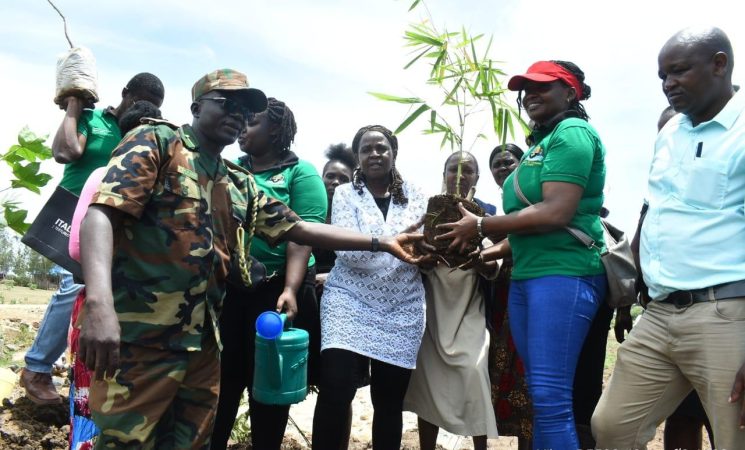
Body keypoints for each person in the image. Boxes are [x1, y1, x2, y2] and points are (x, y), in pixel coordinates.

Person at [76, 70, 422, 448]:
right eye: (227, 103)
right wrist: (99, 302)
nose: (237, 115)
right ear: (196, 107)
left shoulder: (237, 182)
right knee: (129, 441)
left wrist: (383, 241)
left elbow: (300, 230)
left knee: (192, 442)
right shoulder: (159, 142)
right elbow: (101, 214)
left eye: (245, 109)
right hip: (144, 337)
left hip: (204, 343)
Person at [437, 60, 608, 450]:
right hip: (529, 276)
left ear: (570, 92)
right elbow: (528, 229)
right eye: (525, 89)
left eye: (542, 87)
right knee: (539, 394)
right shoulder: (538, 145)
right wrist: (492, 252)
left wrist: (480, 228)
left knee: (550, 398)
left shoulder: (573, 133)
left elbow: (556, 212)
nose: (530, 95)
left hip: (564, 273)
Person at [590, 26, 745, 444]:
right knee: (612, 426)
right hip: (659, 312)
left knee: (734, 436)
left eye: (678, 72)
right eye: (662, 76)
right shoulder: (671, 134)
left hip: (724, 312)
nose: (668, 85)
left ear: (719, 64)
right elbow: (654, 214)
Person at [19, 72, 164, 405]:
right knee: (75, 287)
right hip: (75, 210)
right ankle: (37, 368)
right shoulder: (92, 119)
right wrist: (73, 106)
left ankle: (73, 369)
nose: (145, 107)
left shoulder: (142, 128)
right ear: (125, 92)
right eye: (141, 98)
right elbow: (65, 152)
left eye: (153, 106)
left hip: (114, 219)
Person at [211, 97, 328, 450]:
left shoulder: (300, 173)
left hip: (278, 292)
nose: (242, 127)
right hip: (232, 288)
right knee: (222, 380)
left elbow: (301, 237)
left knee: (268, 385)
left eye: (253, 122)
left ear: (276, 129)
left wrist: (291, 288)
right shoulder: (228, 169)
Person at [311, 125, 428, 449]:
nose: (374, 154)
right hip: (349, 300)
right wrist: (393, 247)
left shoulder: (419, 195)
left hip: (403, 306)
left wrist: (417, 252)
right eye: (366, 149)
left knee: (389, 402)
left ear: (394, 152)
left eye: (381, 148)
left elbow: (423, 249)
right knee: (336, 388)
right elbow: (347, 252)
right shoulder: (346, 194)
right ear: (358, 158)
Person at [403, 151, 499, 450]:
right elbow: (411, 255)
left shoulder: (487, 214)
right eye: (453, 169)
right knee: (428, 386)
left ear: (477, 178)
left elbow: (495, 265)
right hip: (431, 311)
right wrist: (424, 258)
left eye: (468, 170)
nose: (460, 176)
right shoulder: (427, 212)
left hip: (469, 308)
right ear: (443, 174)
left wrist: (480, 259)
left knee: (474, 374)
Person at [486, 143, 533, 450]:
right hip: (506, 294)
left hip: (531, 287)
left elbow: (518, 239)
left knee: (530, 373)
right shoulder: (502, 211)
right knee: (507, 372)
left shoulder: (531, 203)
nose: (503, 168)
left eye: (509, 162)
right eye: (497, 164)